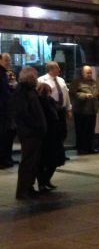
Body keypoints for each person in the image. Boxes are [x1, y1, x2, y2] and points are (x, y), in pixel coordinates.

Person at [9, 67, 46, 200]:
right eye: (35, 76)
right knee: (28, 162)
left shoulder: (29, 90)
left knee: (33, 162)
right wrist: (36, 125)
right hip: (29, 132)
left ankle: (29, 188)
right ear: (30, 78)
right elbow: (23, 113)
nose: (36, 79)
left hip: (34, 132)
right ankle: (22, 191)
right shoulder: (22, 91)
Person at [36, 83, 65, 191]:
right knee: (47, 161)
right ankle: (43, 182)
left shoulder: (50, 101)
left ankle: (44, 182)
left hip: (52, 135)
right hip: (47, 135)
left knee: (50, 161)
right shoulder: (41, 101)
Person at [72, 66, 99, 154]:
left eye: (90, 72)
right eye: (87, 72)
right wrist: (84, 95)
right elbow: (73, 94)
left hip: (92, 110)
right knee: (81, 131)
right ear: (82, 73)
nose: (89, 74)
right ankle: (81, 149)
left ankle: (91, 148)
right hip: (81, 111)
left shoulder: (94, 82)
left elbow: (96, 93)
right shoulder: (77, 82)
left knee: (90, 131)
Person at [38, 61, 71, 145]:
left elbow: (66, 95)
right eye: (57, 67)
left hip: (62, 110)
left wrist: (68, 108)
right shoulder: (41, 80)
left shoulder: (61, 80)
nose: (59, 69)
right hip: (50, 111)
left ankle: (61, 153)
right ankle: (54, 153)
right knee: (53, 132)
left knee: (62, 131)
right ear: (50, 69)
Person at [0, 52, 15, 168]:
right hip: (3, 110)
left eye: (9, 60)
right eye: (6, 60)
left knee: (8, 135)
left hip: (7, 110)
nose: (8, 63)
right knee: (3, 136)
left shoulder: (5, 73)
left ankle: (7, 157)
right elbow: (3, 93)